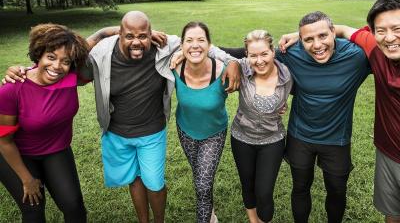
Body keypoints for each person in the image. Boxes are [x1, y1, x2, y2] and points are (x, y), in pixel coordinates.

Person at [4, 12, 240, 223]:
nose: (136, 42)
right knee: (134, 180)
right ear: (120, 34)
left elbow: (199, 45)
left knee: (154, 183)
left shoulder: (165, 46)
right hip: (117, 133)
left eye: (143, 35)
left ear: (152, 34)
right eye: (129, 35)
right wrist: (24, 70)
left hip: (152, 131)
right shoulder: (102, 53)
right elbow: (62, 62)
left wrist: (231, 62)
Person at [222, 11, 370, 223]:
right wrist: (232, 62)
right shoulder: (290, 52)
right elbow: (247, 54)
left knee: (337, 191)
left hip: (337, 139)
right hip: (300, 137)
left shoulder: (356, 56)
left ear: (333, 33)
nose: (317, 45)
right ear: (301, 40)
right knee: (300, 187)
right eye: (308, 39)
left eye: (323, 36)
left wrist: (345, 29)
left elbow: (379, 40)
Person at [0, 24, 89, 222]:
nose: (57, 66)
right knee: (34, 209)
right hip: (16, 153)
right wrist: (27, 179)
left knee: (74, 206)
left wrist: (113, 31)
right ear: (39, 54)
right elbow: (4, 141)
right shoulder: (12, 89)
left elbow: (92, 43)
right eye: (51, 57)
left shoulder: (69, 79)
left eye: (65, 61)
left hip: (56, 149)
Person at [333, 0, 400, 223]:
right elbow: (341, 29)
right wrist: (296, 35)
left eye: (397, 28)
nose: (389, 38)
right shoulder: (375, 47)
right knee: (392, 212)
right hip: (389, 152)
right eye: (381, 30)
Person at [173, 21, 233, 223]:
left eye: (201, 40)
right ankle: (210, 209)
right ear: (181, 45)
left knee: (202, 186)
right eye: (189, 41)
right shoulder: (174, 67)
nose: (195, 45)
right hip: (185, 129)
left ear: (210, 45)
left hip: (214, 133)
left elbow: (256, 67)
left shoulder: (225, 72)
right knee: (201, 177)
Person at [230, 30, 292, 223]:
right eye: (253, 55)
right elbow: (213, 51)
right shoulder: (241, 68)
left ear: (273, 51)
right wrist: (232, 63)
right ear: (246, 55)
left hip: (272, 140)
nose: (259, 61)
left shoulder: (287, 75)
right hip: (241, 138)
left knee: (264, 192)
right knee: (247, 184)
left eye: (264, 53)